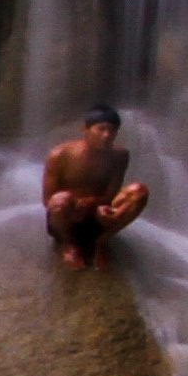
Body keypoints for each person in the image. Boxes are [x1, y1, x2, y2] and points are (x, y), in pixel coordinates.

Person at [40, 108, 148, 266]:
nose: (106, 135)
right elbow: (47, 200)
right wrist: (75, 206)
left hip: (98, 215)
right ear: (85, 129)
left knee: (139, 191)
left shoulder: (120, 156)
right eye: (101, 129)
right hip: (68, 216)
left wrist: (97, 205)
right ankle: (69, 245)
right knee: (59, 200)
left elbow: (111, 193)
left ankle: (101, 242)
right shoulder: (60, 155)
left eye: (112, 130)